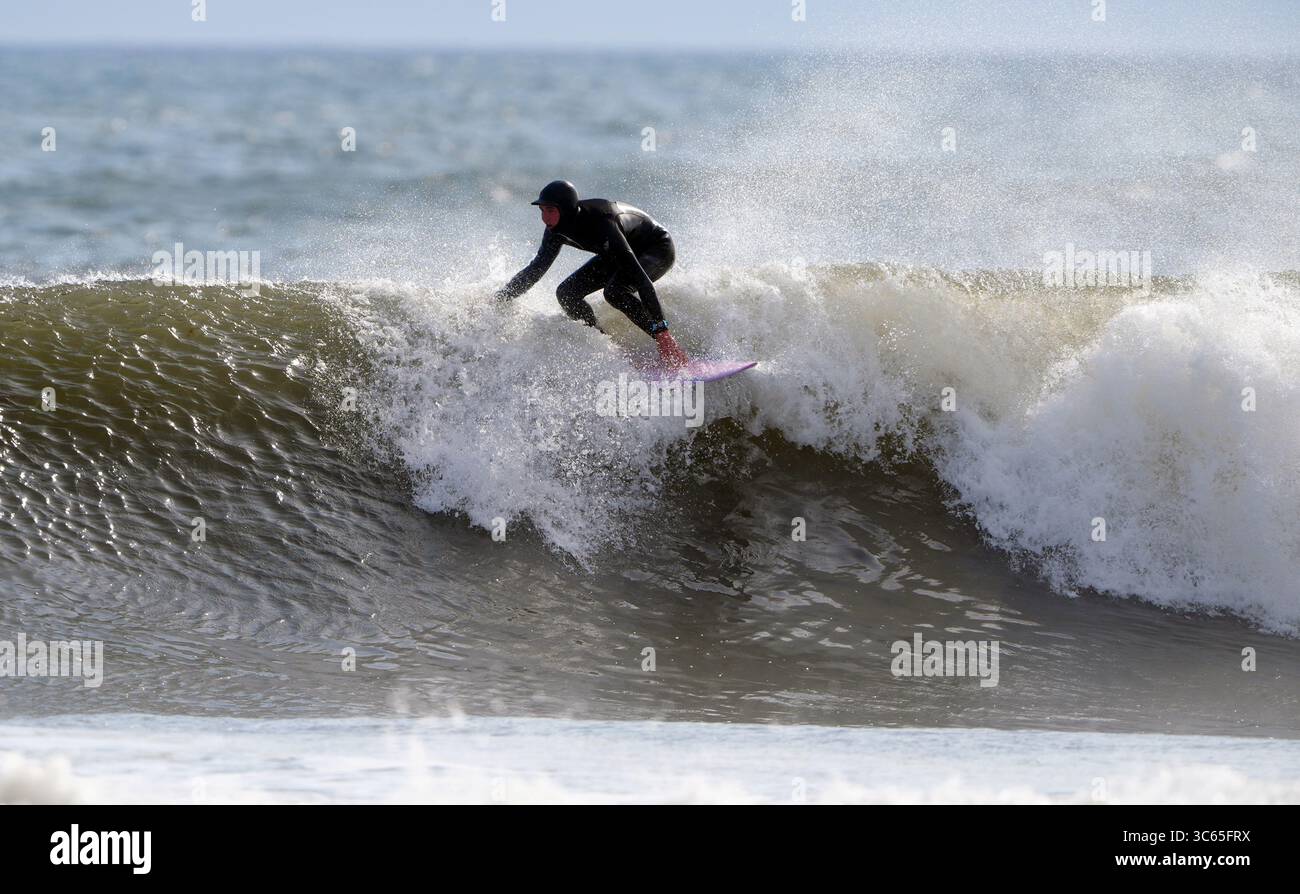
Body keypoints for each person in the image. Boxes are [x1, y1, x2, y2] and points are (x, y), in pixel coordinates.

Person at [495, 180, 689, 368]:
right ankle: (609, 348)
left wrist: (662, 330)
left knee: (615, 291)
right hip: (616, 253)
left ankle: (670, 347)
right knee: (567, 293)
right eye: (542, 210)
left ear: (567, 209)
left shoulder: (603, 222)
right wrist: (501, 299)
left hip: (656, 248)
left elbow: (640, 279)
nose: (544, 218)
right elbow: (534, 270)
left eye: (550, 210)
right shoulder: (554, 231)